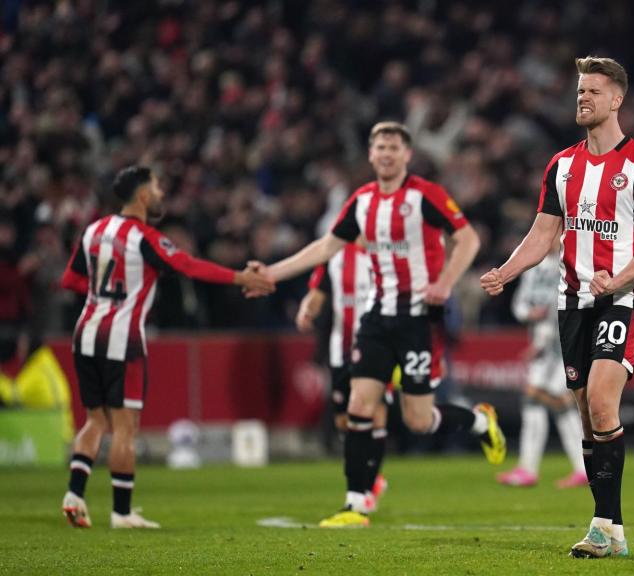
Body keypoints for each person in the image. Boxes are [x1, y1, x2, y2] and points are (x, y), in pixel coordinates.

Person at [252, 121, 505, 528]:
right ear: (370, 155)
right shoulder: (362, 201)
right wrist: (273, 273)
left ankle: (479, 420)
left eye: (394, 147)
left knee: (418, 421)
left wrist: (443, 283)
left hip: (418, 319)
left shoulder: (426, 196)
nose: (386, 154)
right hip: (376, 318)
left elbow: (469, 239)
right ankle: (356, 503)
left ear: (407, 155)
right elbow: (325, 247)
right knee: (359, 406)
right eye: (380, 147)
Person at [481, 56, 634, 559]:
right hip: (571, 303)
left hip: (621, 298)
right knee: (587, 416)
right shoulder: (561, 166)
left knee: (604, 402)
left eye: (593, 90)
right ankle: (615, 528)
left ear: (617, 100)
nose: (582, 97)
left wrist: (619, 279)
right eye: (579, 90)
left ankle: (601, 526)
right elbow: (543, 235)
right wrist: (506, 271)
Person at [59, 165, 274, 529]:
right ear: (142, 195)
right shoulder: (145, 238)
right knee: (126, 427)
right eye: (156, 187)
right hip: (122, 339)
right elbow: (187, 265)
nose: (160, 193)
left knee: (95, 420)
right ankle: (122, 513)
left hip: (86, 333)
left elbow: (70, 279)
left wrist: (104, 296)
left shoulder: (94, 230)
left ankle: (74, 494)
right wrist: (240, 276)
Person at [296, 242, 389, 509]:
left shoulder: (383, 255)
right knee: (343, 419)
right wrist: (307, 309)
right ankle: (367, 475)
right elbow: (318, 293)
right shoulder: (334, 256)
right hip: (340, 349)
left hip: (376, 345)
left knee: (375, 409)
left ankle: (369, 482)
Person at [497, 245, 588, 489]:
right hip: (544, 346)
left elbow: (561, 306)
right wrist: (529, 314)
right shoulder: (532, 267)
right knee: (551, 403)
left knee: (540, 398)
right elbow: (519, 305)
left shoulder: (568, 264)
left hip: (562, 344)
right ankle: (577, 468)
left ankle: (532, 469)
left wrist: (541, 341)